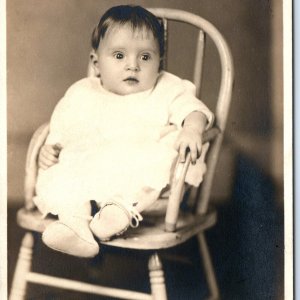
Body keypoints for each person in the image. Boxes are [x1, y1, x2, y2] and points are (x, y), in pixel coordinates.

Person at [34, 5, 214, 257]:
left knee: (162, 156)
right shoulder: (83, 92)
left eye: (145, 57)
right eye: (119, 56)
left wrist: (192, 129)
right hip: (89, 169)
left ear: (159, 62)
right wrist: (48, 150)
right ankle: (76, 224)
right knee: (63, 176)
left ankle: (115, 214)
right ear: (96, 63)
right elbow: (61, 132)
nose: (132, 65)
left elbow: (193, 109)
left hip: (135, 179)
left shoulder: (165, 88)